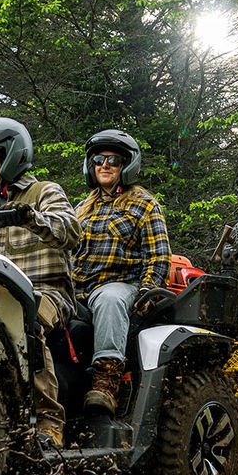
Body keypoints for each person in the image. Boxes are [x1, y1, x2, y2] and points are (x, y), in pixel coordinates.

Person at [0, 117, 81, 447]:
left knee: (22, 318)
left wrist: (31, 218)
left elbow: (70, 231)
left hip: (47, 294)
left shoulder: (44, 192)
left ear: (13, 154)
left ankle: (49, 422)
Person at [71, 129, 171, 413]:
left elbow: (159, 257)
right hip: (78, 291)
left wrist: (146, 294)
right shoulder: (81, 208)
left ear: (126, 165)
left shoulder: (144, 204)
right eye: (99, 159)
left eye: (113, 160)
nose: (105, 165)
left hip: (121, 286)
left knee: (110, 299)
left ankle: (105, 383)